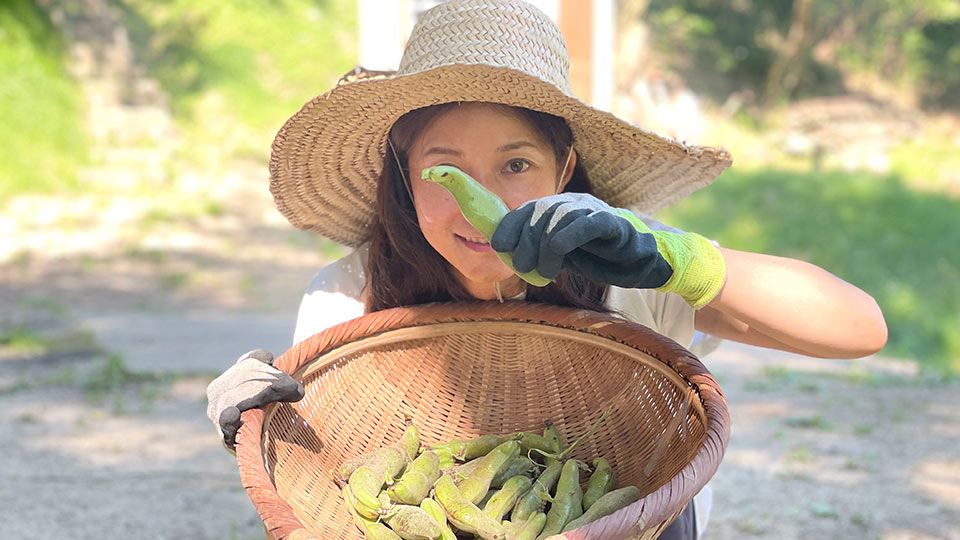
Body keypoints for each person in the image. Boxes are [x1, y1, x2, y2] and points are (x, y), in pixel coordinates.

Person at [205, 1, 888, 537]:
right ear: (405, 179)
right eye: (446, 170)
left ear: (563, 170)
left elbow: (858, 329)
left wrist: (676, 260)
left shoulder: (624, 267)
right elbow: (327, 488)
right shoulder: (350, 296)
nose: (485, 210)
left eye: (516, 166)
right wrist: (268, 428)